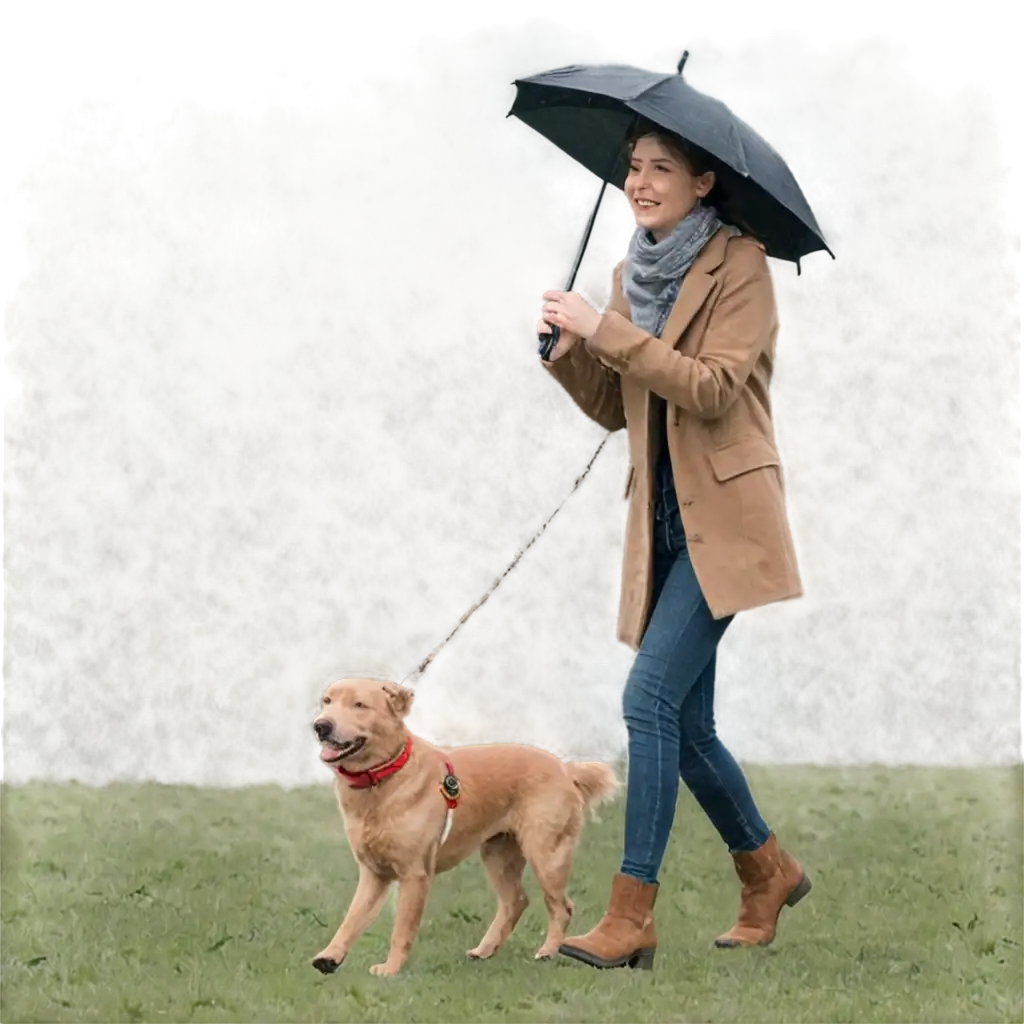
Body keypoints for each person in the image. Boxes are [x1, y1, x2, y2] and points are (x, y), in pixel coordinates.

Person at [537, 121, 811, 972]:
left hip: (725, 521)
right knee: (689, 727)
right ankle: (767, 872)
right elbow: (620, 408)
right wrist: (565, 346)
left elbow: (711, 388)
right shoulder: (634, 275)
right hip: (658, 522)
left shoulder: (745, 267)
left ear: (702, 185)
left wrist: (605, 328)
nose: (641, 181)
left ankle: (631, 917)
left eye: (662, 169)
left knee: (647, 701)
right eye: (633, 167)